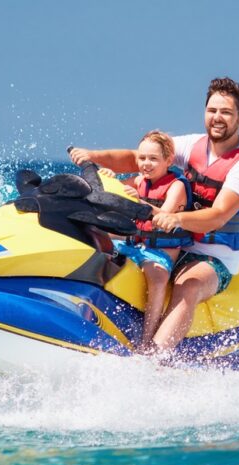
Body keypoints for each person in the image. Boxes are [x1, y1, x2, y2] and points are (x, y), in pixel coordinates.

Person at [69, 77, 239, 358]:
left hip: (213, 256)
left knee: (189, 285)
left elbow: (219, 215)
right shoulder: (191, 145)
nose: (217, 118)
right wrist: (93, 156)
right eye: (212, 110)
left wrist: (177, 219)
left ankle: (154, 359)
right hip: (168, 243)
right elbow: (137, 157)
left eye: (226, 112)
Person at [96, 130, 190, 349]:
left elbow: (164, 216)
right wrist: (108, 178)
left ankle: (147, 340)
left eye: (153, 159)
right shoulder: (139, 180)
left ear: (168, 160)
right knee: (94, 245)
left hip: (159, 252)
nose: (146, 164)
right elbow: (113, 193)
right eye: (142, 158)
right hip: (132, 244)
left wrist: (139, 202)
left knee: (157, 278)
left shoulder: (176, 186)